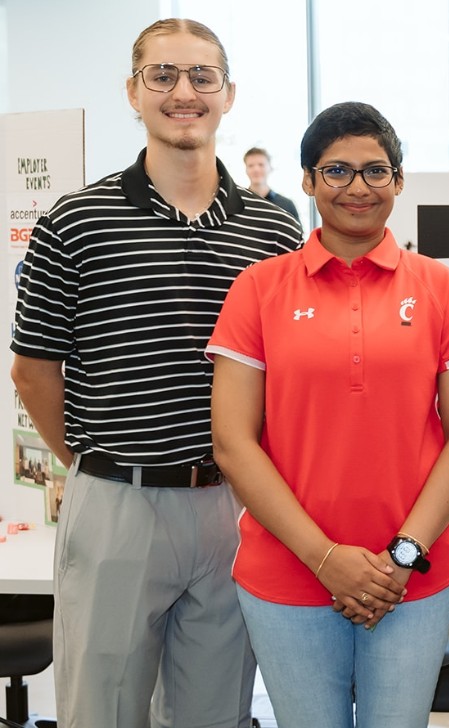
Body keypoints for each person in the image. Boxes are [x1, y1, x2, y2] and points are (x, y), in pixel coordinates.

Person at [9, 18, 302, 728]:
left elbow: (286, 375)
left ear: (228, 94)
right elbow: (33, 371)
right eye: (162, 75)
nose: (183, 92)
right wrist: (94, 467)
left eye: (202, 76)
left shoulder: (274, 233)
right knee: (101, 713)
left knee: (216, 714)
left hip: (233, 506)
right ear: (133, 92)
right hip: (117, 500)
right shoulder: (75, 221)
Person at [208, 101, 449, 727]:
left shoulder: (441, 288)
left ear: (398, 180)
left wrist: (403, 556)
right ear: (307, 181)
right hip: (288, 573)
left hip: (412, 578)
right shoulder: (258, 289)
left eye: (375, 170)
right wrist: (324, 558)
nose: (357, 187)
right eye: (336, 171)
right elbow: (231, 442)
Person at [244, 146, 301, 222]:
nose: (256, 169)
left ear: (270, 168)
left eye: (261, 165)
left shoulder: (287, 205)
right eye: (251, 165)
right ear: (246, 170)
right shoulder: (238, 204)